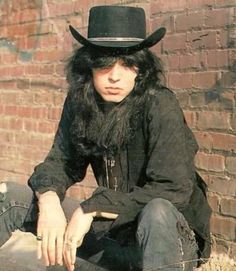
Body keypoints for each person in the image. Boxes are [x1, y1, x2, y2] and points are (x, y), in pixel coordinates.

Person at [0, 5, 212, 271]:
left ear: (140, 69)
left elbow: (173, 188)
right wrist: (49, 199)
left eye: (127, 64)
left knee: (157, 210)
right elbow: (61, 162)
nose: (115, 76)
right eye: (104, 64)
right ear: (88, 67)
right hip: (114, 237)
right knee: (10, 199)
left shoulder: (159, 104)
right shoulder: (82, 103)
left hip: (167, 243)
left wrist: (91, 208)